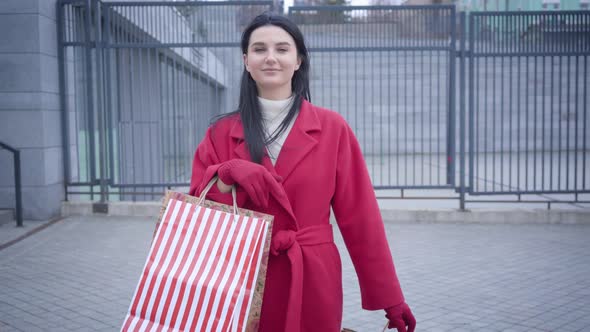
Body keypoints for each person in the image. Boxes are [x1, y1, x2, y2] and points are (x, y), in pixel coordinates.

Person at [189, 12, 416, 332]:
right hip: (243, 277)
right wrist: (226, 174)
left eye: (282, 49)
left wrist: (390, 296)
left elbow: (361, 216)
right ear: (245, 60)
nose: (270, 58)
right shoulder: (221, 133)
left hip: (312, 274)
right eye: (259, 49)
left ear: (298, 61)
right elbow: (199, 207)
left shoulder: (332, 128)